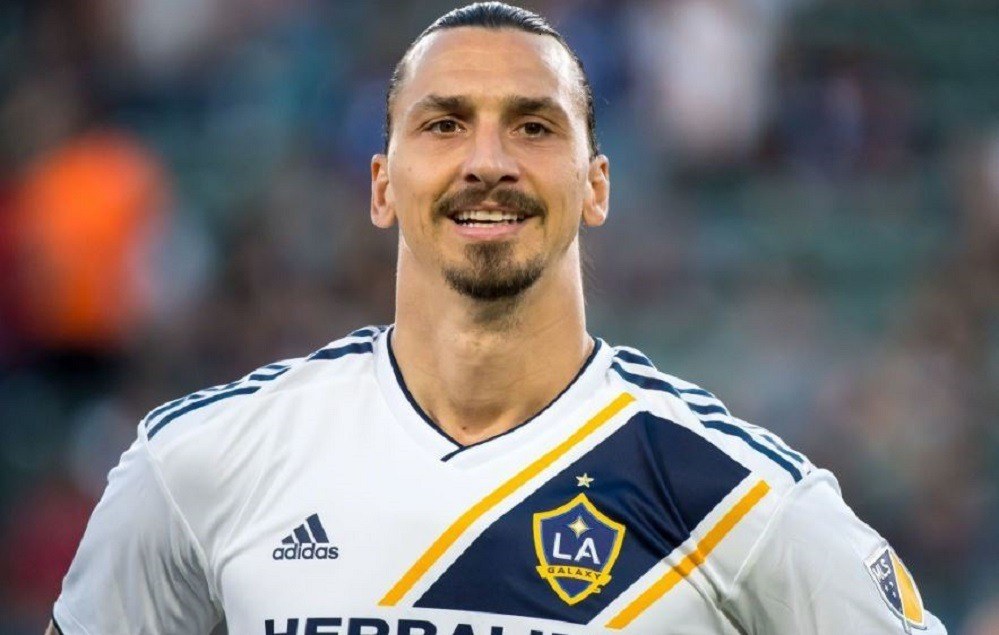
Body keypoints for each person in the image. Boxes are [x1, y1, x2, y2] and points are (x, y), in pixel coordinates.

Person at [49, 3, 947, 634]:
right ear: (380, 184)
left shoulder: (731, 495)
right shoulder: (203, 460)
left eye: (534, 127)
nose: (487, 160)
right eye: (443, 125)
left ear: (595, 186)